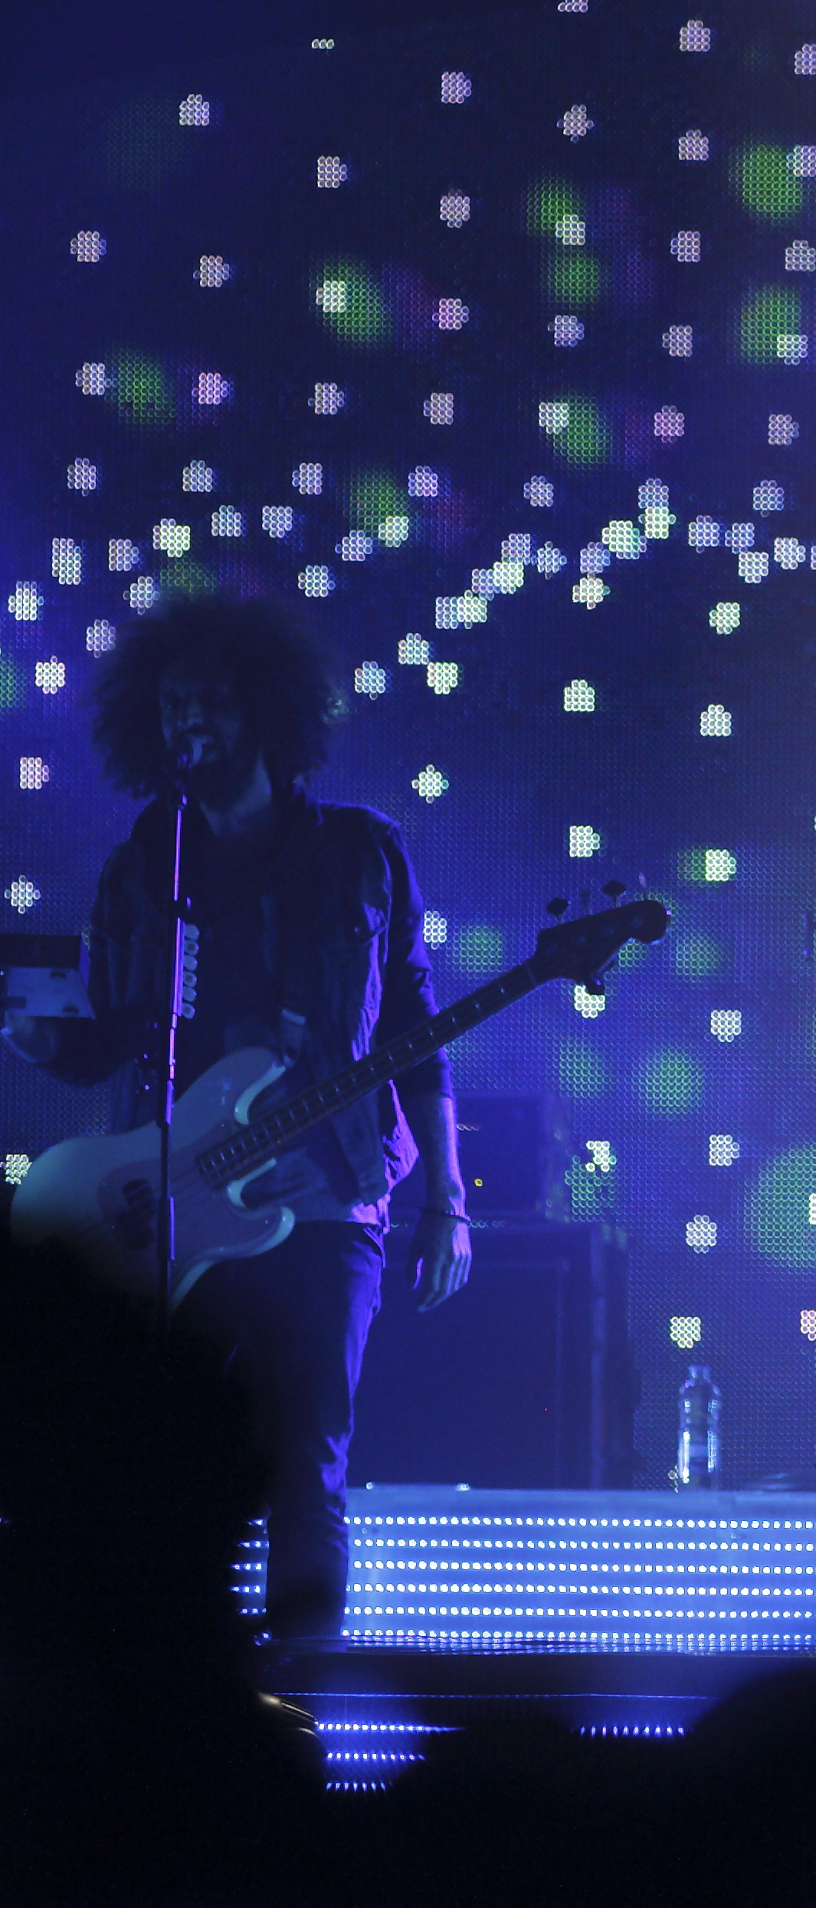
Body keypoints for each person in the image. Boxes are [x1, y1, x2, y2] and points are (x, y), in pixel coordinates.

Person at [4, 592, 469, 1641]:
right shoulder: (144, 862)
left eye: (210, 698)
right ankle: (172, 1685)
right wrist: (38, 1038)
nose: (188, 720)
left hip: (327, 1201)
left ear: (266, 709)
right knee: (157, 1461)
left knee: (308, 1459)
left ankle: (298, 1687)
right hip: (172, 1208)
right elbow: (106, 1041)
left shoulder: (359, 851)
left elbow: (416, 1034)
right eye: (172, 703)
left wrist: (446, 1198)